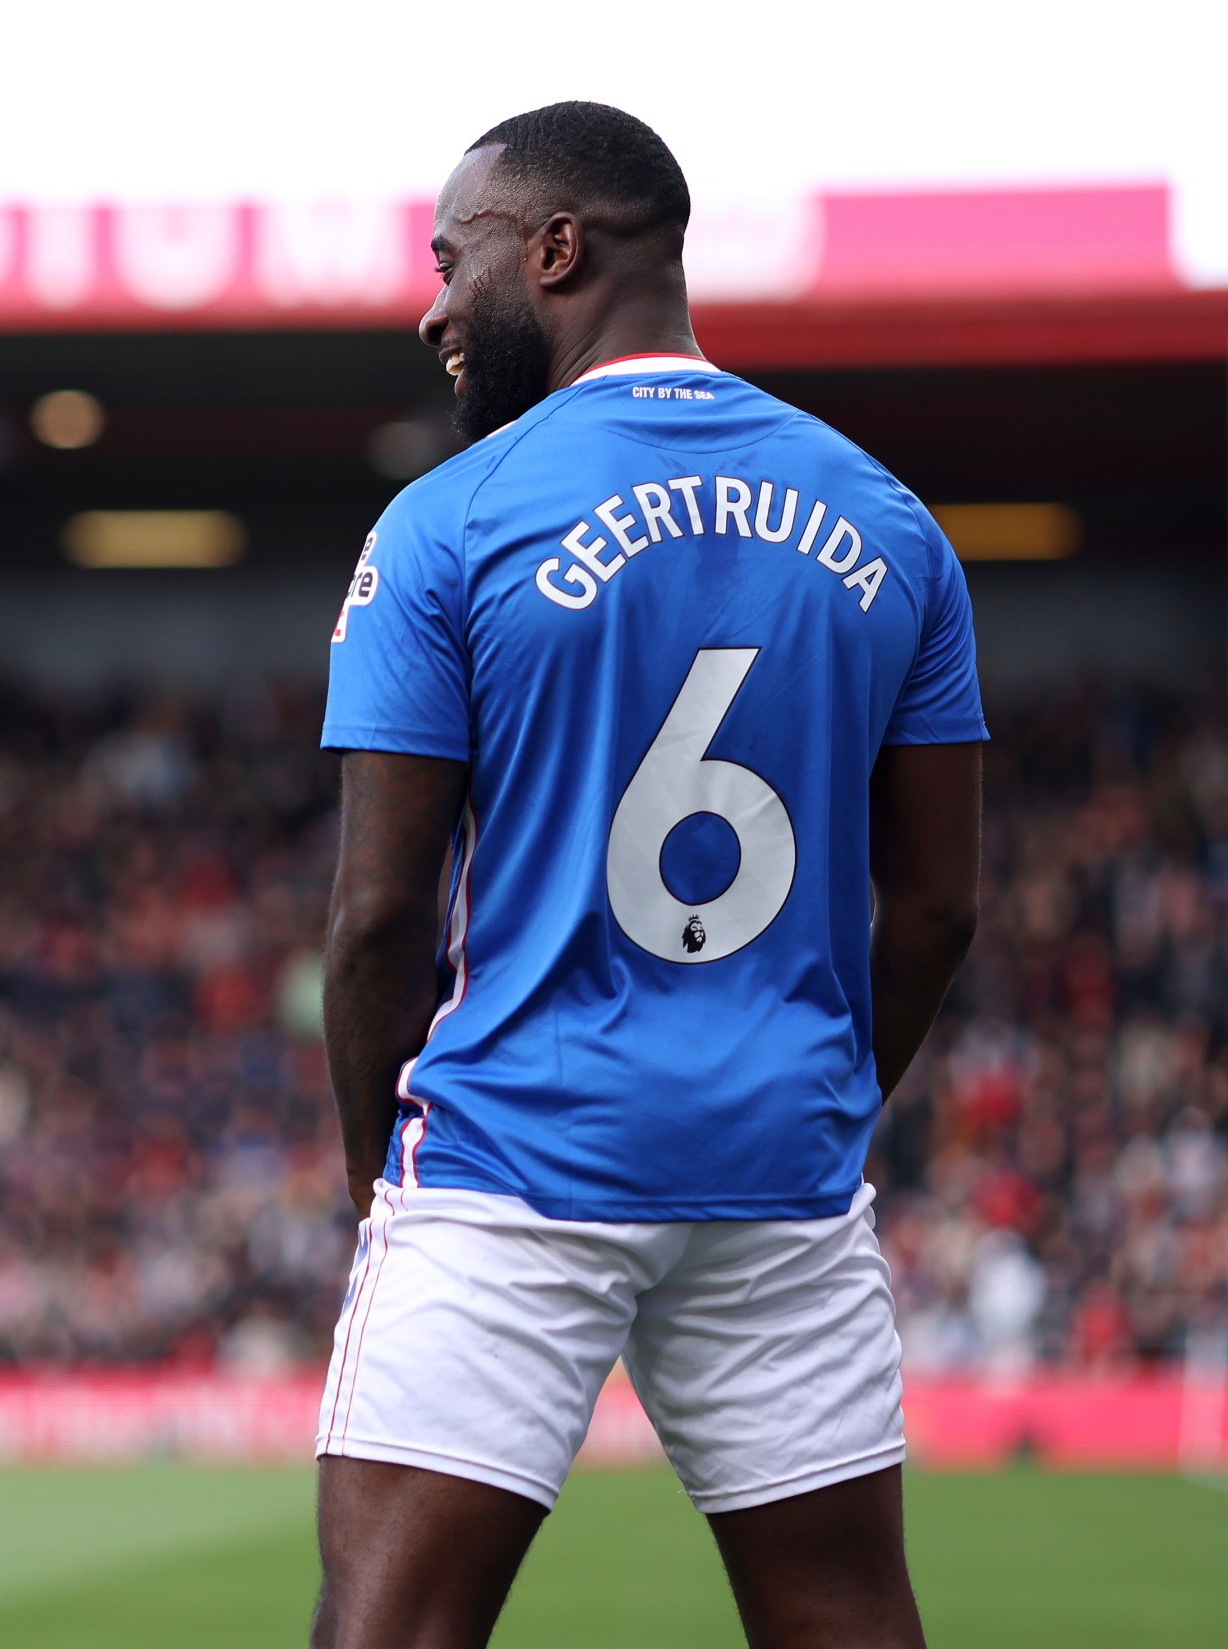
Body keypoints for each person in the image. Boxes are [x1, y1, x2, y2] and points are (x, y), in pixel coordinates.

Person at [312, 102, 983, 1649]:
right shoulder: (891, 519)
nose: (429, 305)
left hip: (515, 1157)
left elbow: (377, 918)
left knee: (394, 1625)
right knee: (846, 1616)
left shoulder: (449, 521)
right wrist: (814, 1085)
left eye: (450, 256)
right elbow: (941, 905)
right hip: (781, 1170)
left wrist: (371, 1168)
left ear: (557, 250)